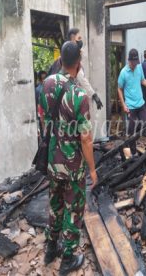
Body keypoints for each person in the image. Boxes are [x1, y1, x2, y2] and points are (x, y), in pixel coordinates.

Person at [39, 42, 97, 275]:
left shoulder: (46, 84)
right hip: (73, 166)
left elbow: (43, 119)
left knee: (55, 204)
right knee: (74, 209)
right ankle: (68, 258)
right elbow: (86, 139)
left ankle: (51, 249)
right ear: (78, 63)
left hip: (53, 162)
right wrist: (92, 169)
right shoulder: (79, 95)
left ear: (61, 60)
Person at [118, 48, 146, 155]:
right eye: (133, 62)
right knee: (132, 131)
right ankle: (133, 152)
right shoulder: (123, 72)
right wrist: (123, 105)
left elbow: (143, 80)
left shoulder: (139, 68)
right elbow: (119, 88)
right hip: (131, 106)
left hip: (140, 104)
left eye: (136, 62)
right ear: (129, 60)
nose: (135, 65)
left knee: (145, 123)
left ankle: (133, 136)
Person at [48, 28, 103, 110]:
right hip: (66, 101)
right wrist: (94, 95)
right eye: (79, 38)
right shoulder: (72, 61)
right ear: (73, 38)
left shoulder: (61, 58)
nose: (81, 41)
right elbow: (81, 78)